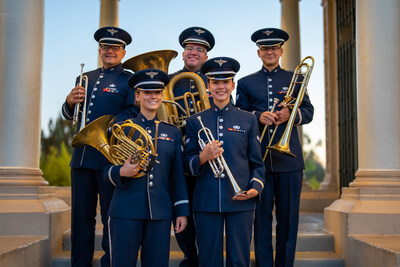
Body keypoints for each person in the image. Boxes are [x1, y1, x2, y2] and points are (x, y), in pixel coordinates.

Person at [235, 28, 314, 267]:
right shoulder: (246, 82)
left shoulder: (295, 79)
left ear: (281, 51)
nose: (269, 52)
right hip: (259, 162)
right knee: (260, 222)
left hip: (290, 162)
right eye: (265, 49)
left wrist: (293, 113)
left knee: (288, 222)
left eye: (274, 48)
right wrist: (258, 116)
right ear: (259, 53)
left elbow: (309, 112)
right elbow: (239, 115)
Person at [61, 26, 138, 267]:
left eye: (115, 48)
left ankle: (110, 263)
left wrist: (110, 124)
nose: (110, 51)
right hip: (81, 158)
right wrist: (69, 102)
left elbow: (132, 112)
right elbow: (71, 116)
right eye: (106, 47)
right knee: (80, 219)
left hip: (108, 160)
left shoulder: (128, 80)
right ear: (99, 50)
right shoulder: (85, 78)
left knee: (110, 216)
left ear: (123, 53)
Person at [184, 57, 265, 267]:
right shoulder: (194, 121)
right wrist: (203, 157)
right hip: (206, 201)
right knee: (209, 260)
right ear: (208, 86)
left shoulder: (248, 119)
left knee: (239, 260)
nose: (221, 87)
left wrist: (255, 188)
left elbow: (257, 163)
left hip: (241, 200)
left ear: (233, 85)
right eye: (215, 82)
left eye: (225, 82)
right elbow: (187, 163)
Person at [104, 69, 189, 267]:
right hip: (124, 211)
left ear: (162, 96)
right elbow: (105, 170)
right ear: (137, 95)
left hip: (159, 213)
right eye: (147, 92)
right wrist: (120, 172)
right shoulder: (123, 129)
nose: (152, 96)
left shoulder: (173, 132)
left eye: (157, 92)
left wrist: (181, 211)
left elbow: (177, 176)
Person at [169, 26, 215, 267]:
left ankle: (206, 258)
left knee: (205, 212)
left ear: (205, 56)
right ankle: (190, 257)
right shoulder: (170, 82)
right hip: (177, 157)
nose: (193, 52)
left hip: (207, 157)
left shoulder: (216, 81)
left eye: (199, 49)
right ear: (183, 52)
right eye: (189, 48)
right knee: (182, 211)